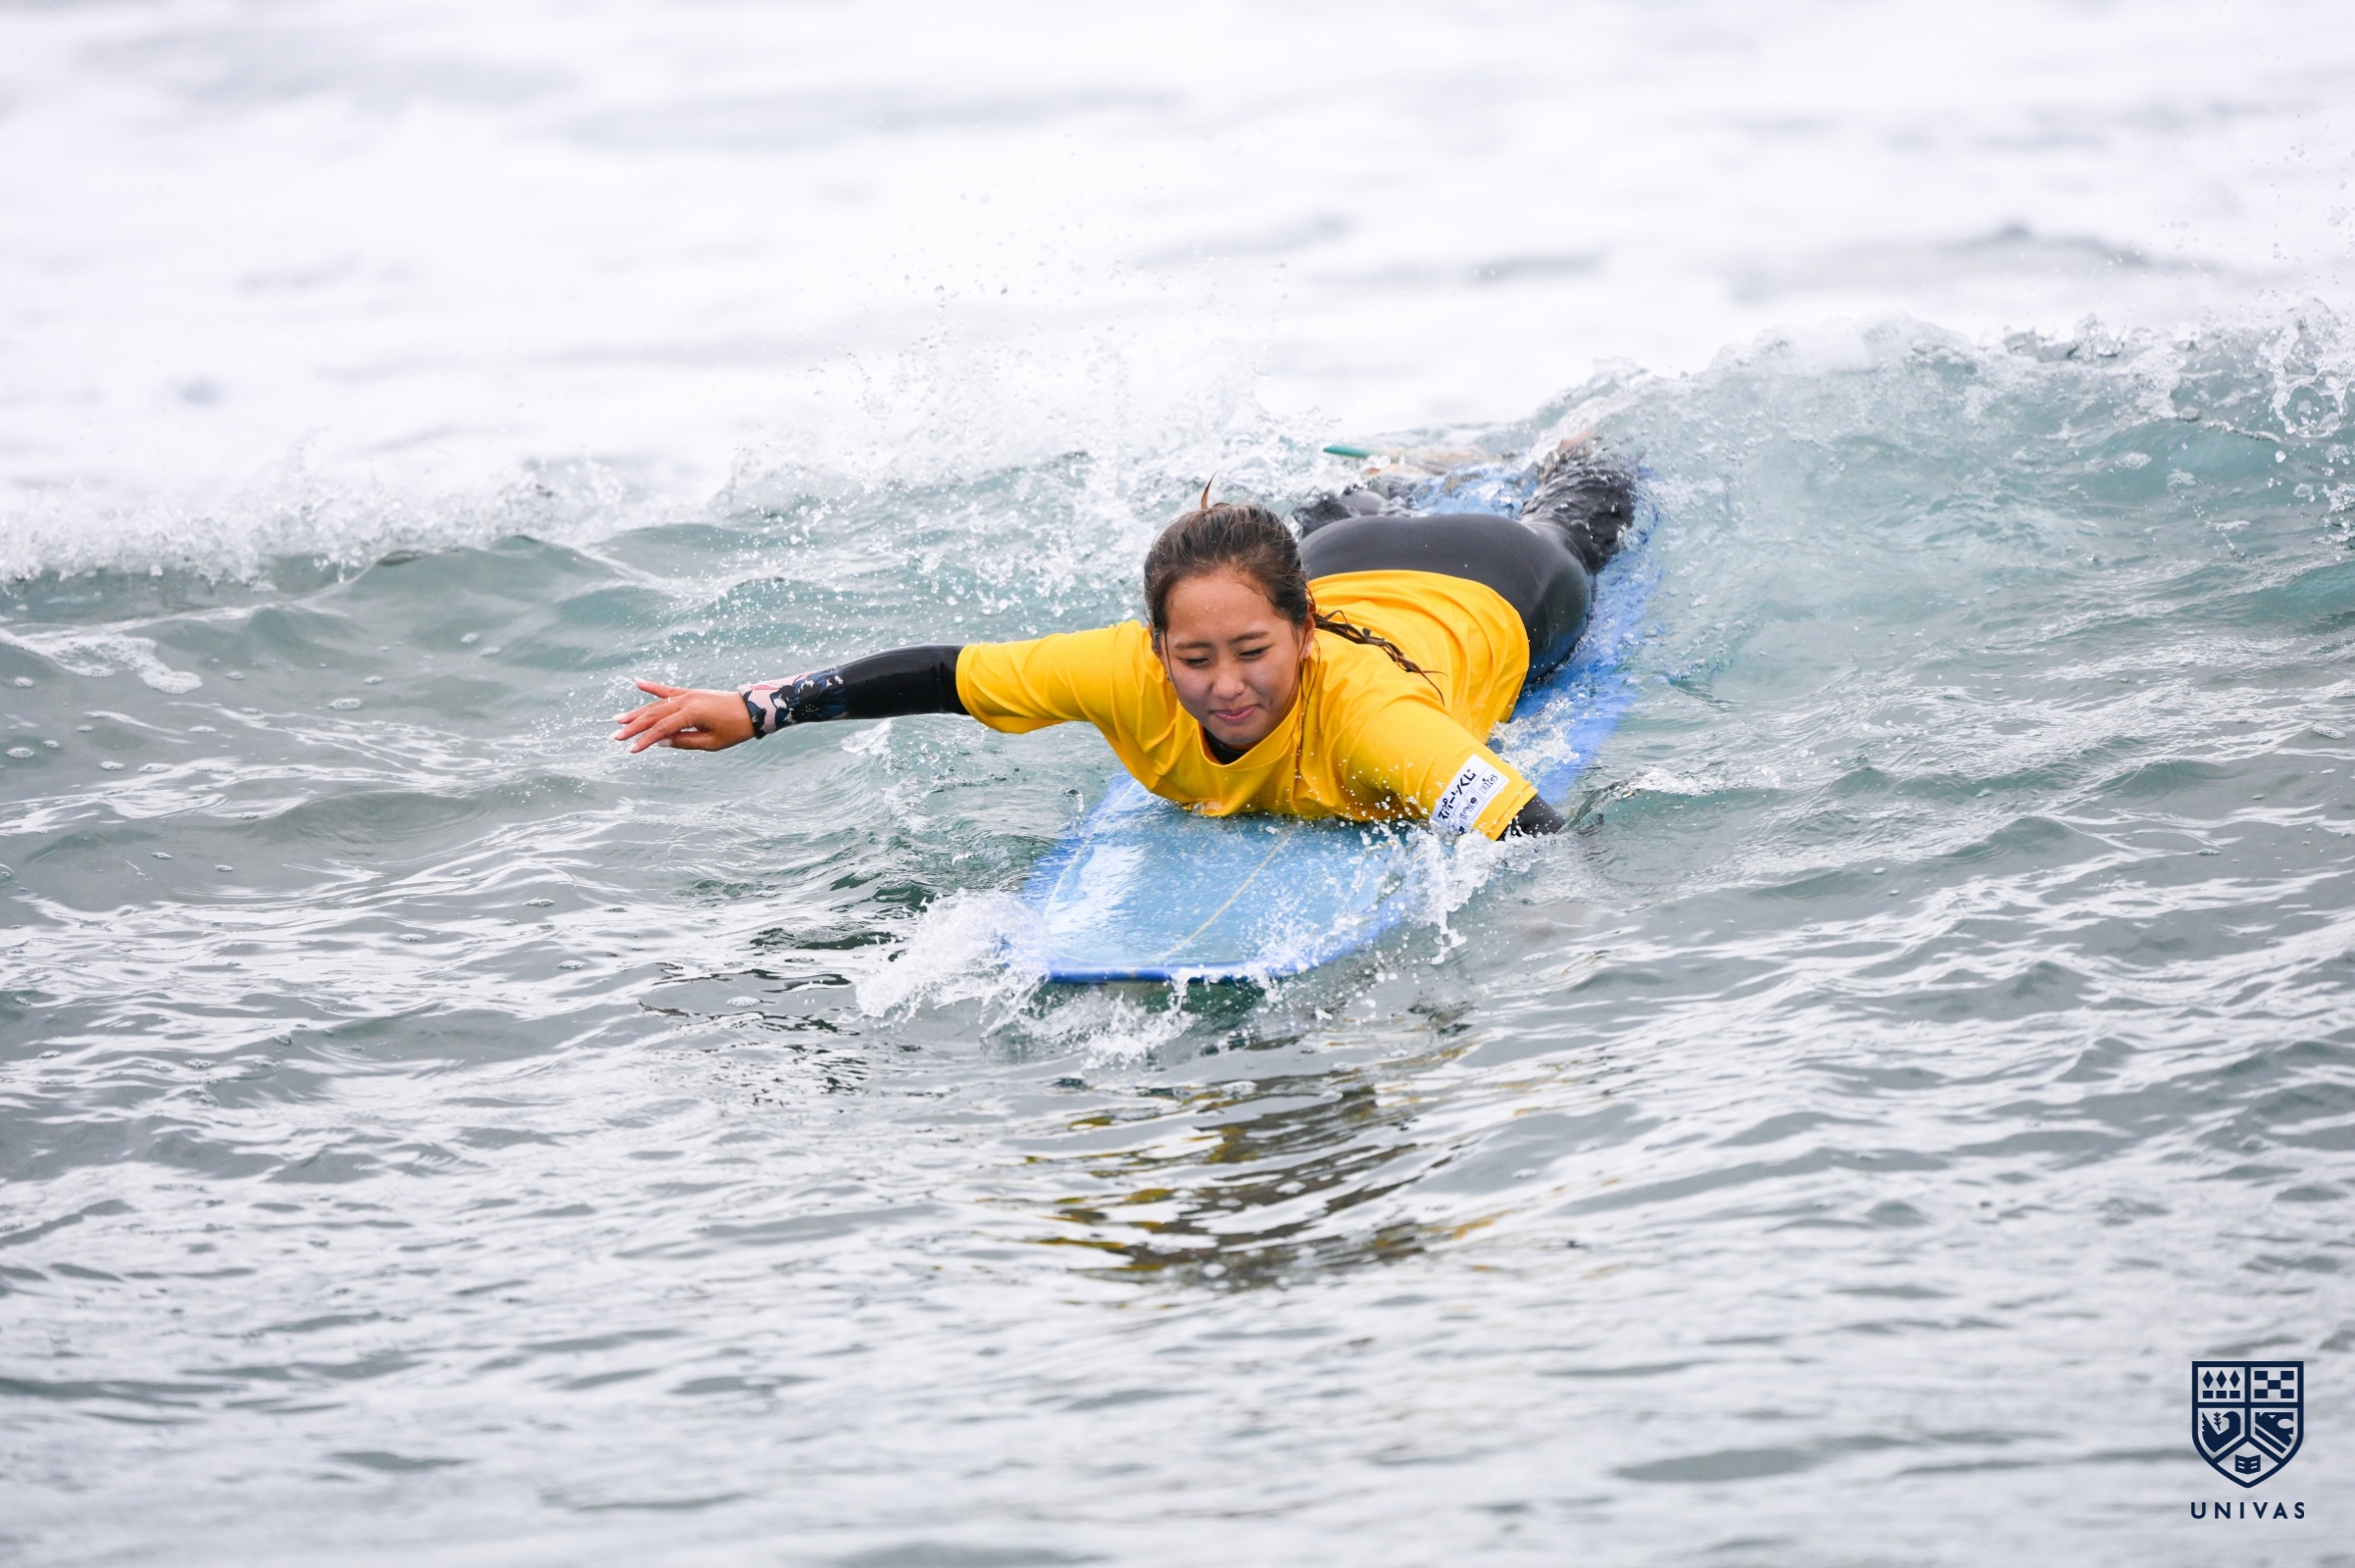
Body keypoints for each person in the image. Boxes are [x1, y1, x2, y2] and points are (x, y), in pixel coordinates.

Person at [613, 445, 1636, 840]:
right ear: (1155, 648)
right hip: (1333, 560)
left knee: (1582, 513)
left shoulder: (1378, 725)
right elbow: (943, 674)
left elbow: (1536, 831)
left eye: (1253, 652)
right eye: (1195, 659)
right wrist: (758, 711)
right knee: (1318, 518)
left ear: (1302, 632)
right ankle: (1380, 481)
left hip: (1498, 585)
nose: (1226, 685)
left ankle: (1576, 451)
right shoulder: (1122, 669)